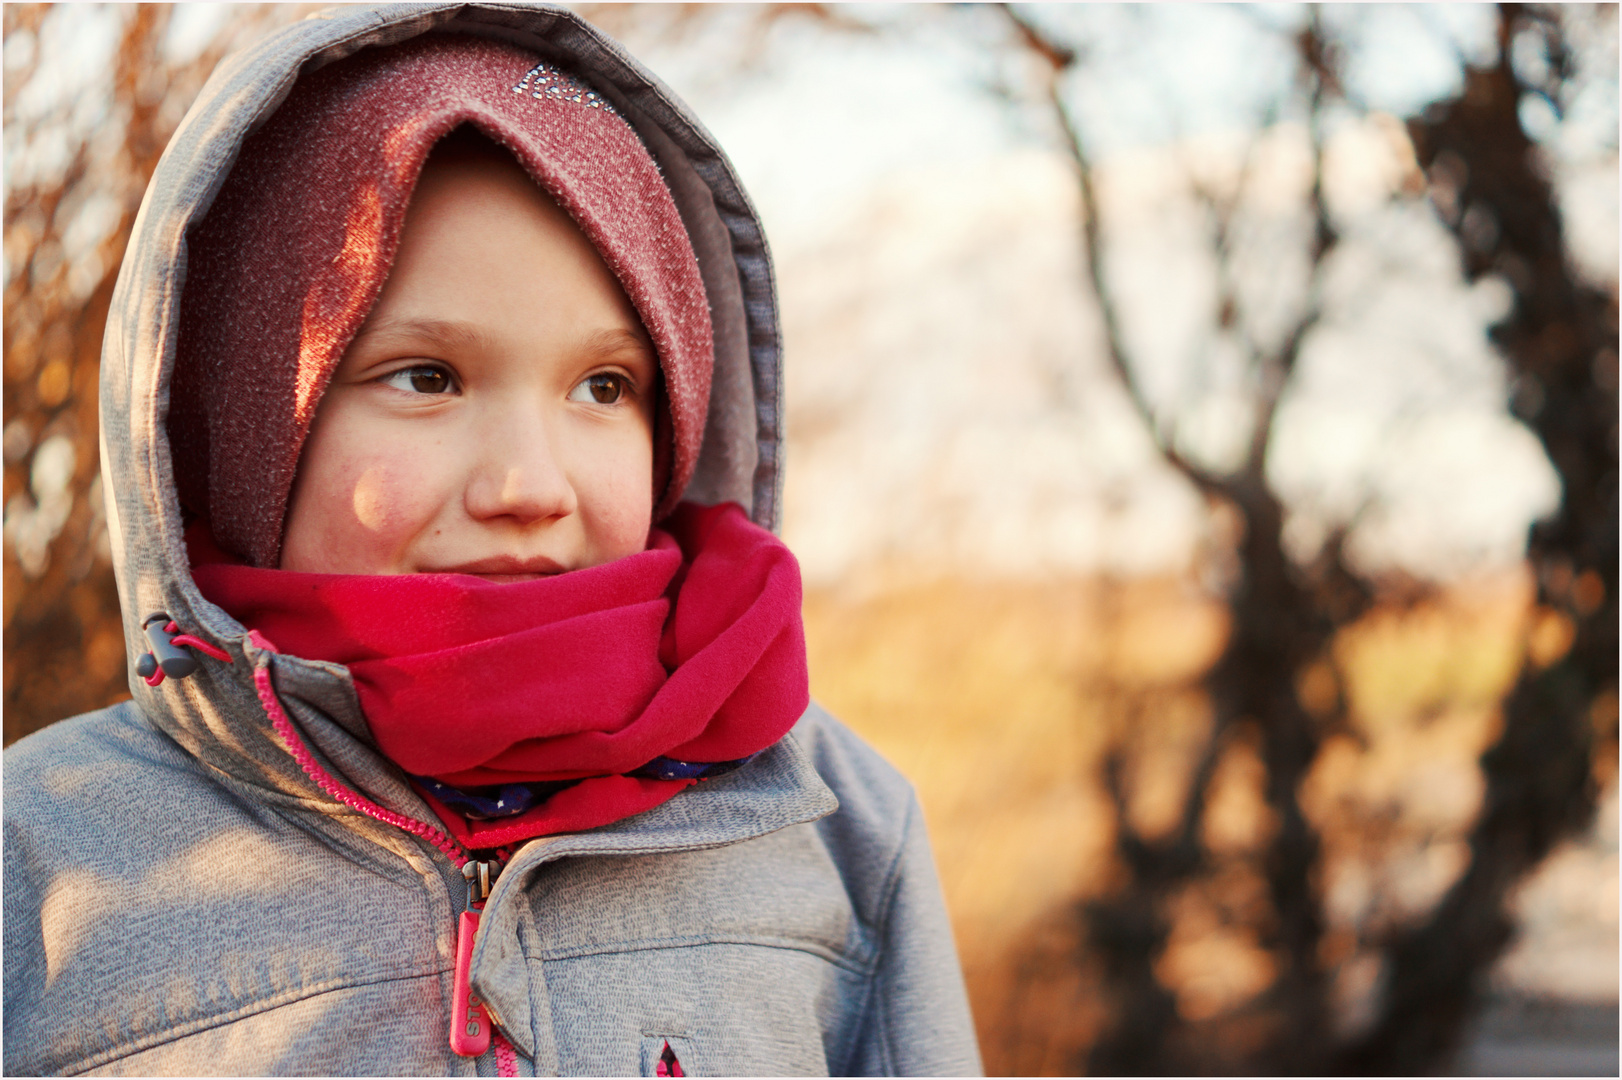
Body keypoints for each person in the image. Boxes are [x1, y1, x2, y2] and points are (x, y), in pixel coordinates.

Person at [2, 8, 982, 1077]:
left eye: (604, 387)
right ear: (247, 433)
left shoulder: (831, 822)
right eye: (427, 377)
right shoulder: (43, 856)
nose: (528, 484)